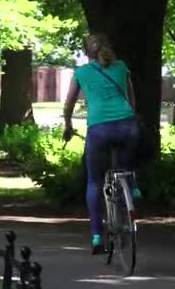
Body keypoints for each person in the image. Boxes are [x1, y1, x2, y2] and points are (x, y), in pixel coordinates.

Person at [62, 33, 141, 254]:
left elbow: (68, 105)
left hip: (99, 130)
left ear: (88, 52)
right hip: (127, 126)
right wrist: (129, 117)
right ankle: (132, 188)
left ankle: (97, 236)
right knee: (125, 167)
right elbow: (132, 98)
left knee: (94, 183)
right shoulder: (122, 67)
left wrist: (68, 125)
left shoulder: (81, 73)